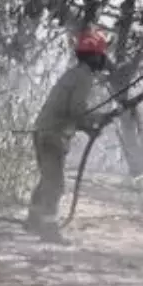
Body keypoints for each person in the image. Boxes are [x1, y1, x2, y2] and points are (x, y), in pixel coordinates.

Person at [26, 28, 117, 243]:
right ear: (94, 56)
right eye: (102, 54)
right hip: (52, 135)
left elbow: (75, 111)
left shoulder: (75, 74)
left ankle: (33, 220)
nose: (104, 59)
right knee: (55, 184)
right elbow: (76, 111)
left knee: (47, 180)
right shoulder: (84, 77)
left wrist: (97, 118)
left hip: (45, 132)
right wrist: (91, 126)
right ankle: (48, 230)